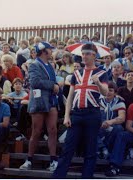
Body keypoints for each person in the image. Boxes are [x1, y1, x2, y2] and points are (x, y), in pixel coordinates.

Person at [52, 43, 108, 178]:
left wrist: (98, 83)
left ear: (94, 55)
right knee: (67, 149)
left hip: (93, 114)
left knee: (90, 151)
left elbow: (105, 92)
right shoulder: (76, 73)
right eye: (83, 53)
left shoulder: (101, 73)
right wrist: (66, 116)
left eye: (87, 53)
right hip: (77, 114)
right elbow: (70, 96)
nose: (84, 56)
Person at [19, 42, 59, 172]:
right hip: (39, 101)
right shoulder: (34, 65)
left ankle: (53, 160)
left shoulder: (51, 66)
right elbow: (35, 82)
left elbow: (51, 82)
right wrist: (53, 85)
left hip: (51, 100)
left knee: (53, 130)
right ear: (43, 51)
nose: (52, 51)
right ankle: (29, 160)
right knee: (36, 132)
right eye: (49, 49)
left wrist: (56, 85)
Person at [97, 81, 126, 159]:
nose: (108, 92)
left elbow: (122, 118)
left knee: (119, 129)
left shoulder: (119, 102)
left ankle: (103, 149)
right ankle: (103, 148)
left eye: (110, 90)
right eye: (106, 90)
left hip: (113, 126)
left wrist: (110, 122)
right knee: (91, 128)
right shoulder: (98, 101)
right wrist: (102, 123)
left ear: (115, 92)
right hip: (100, 126)